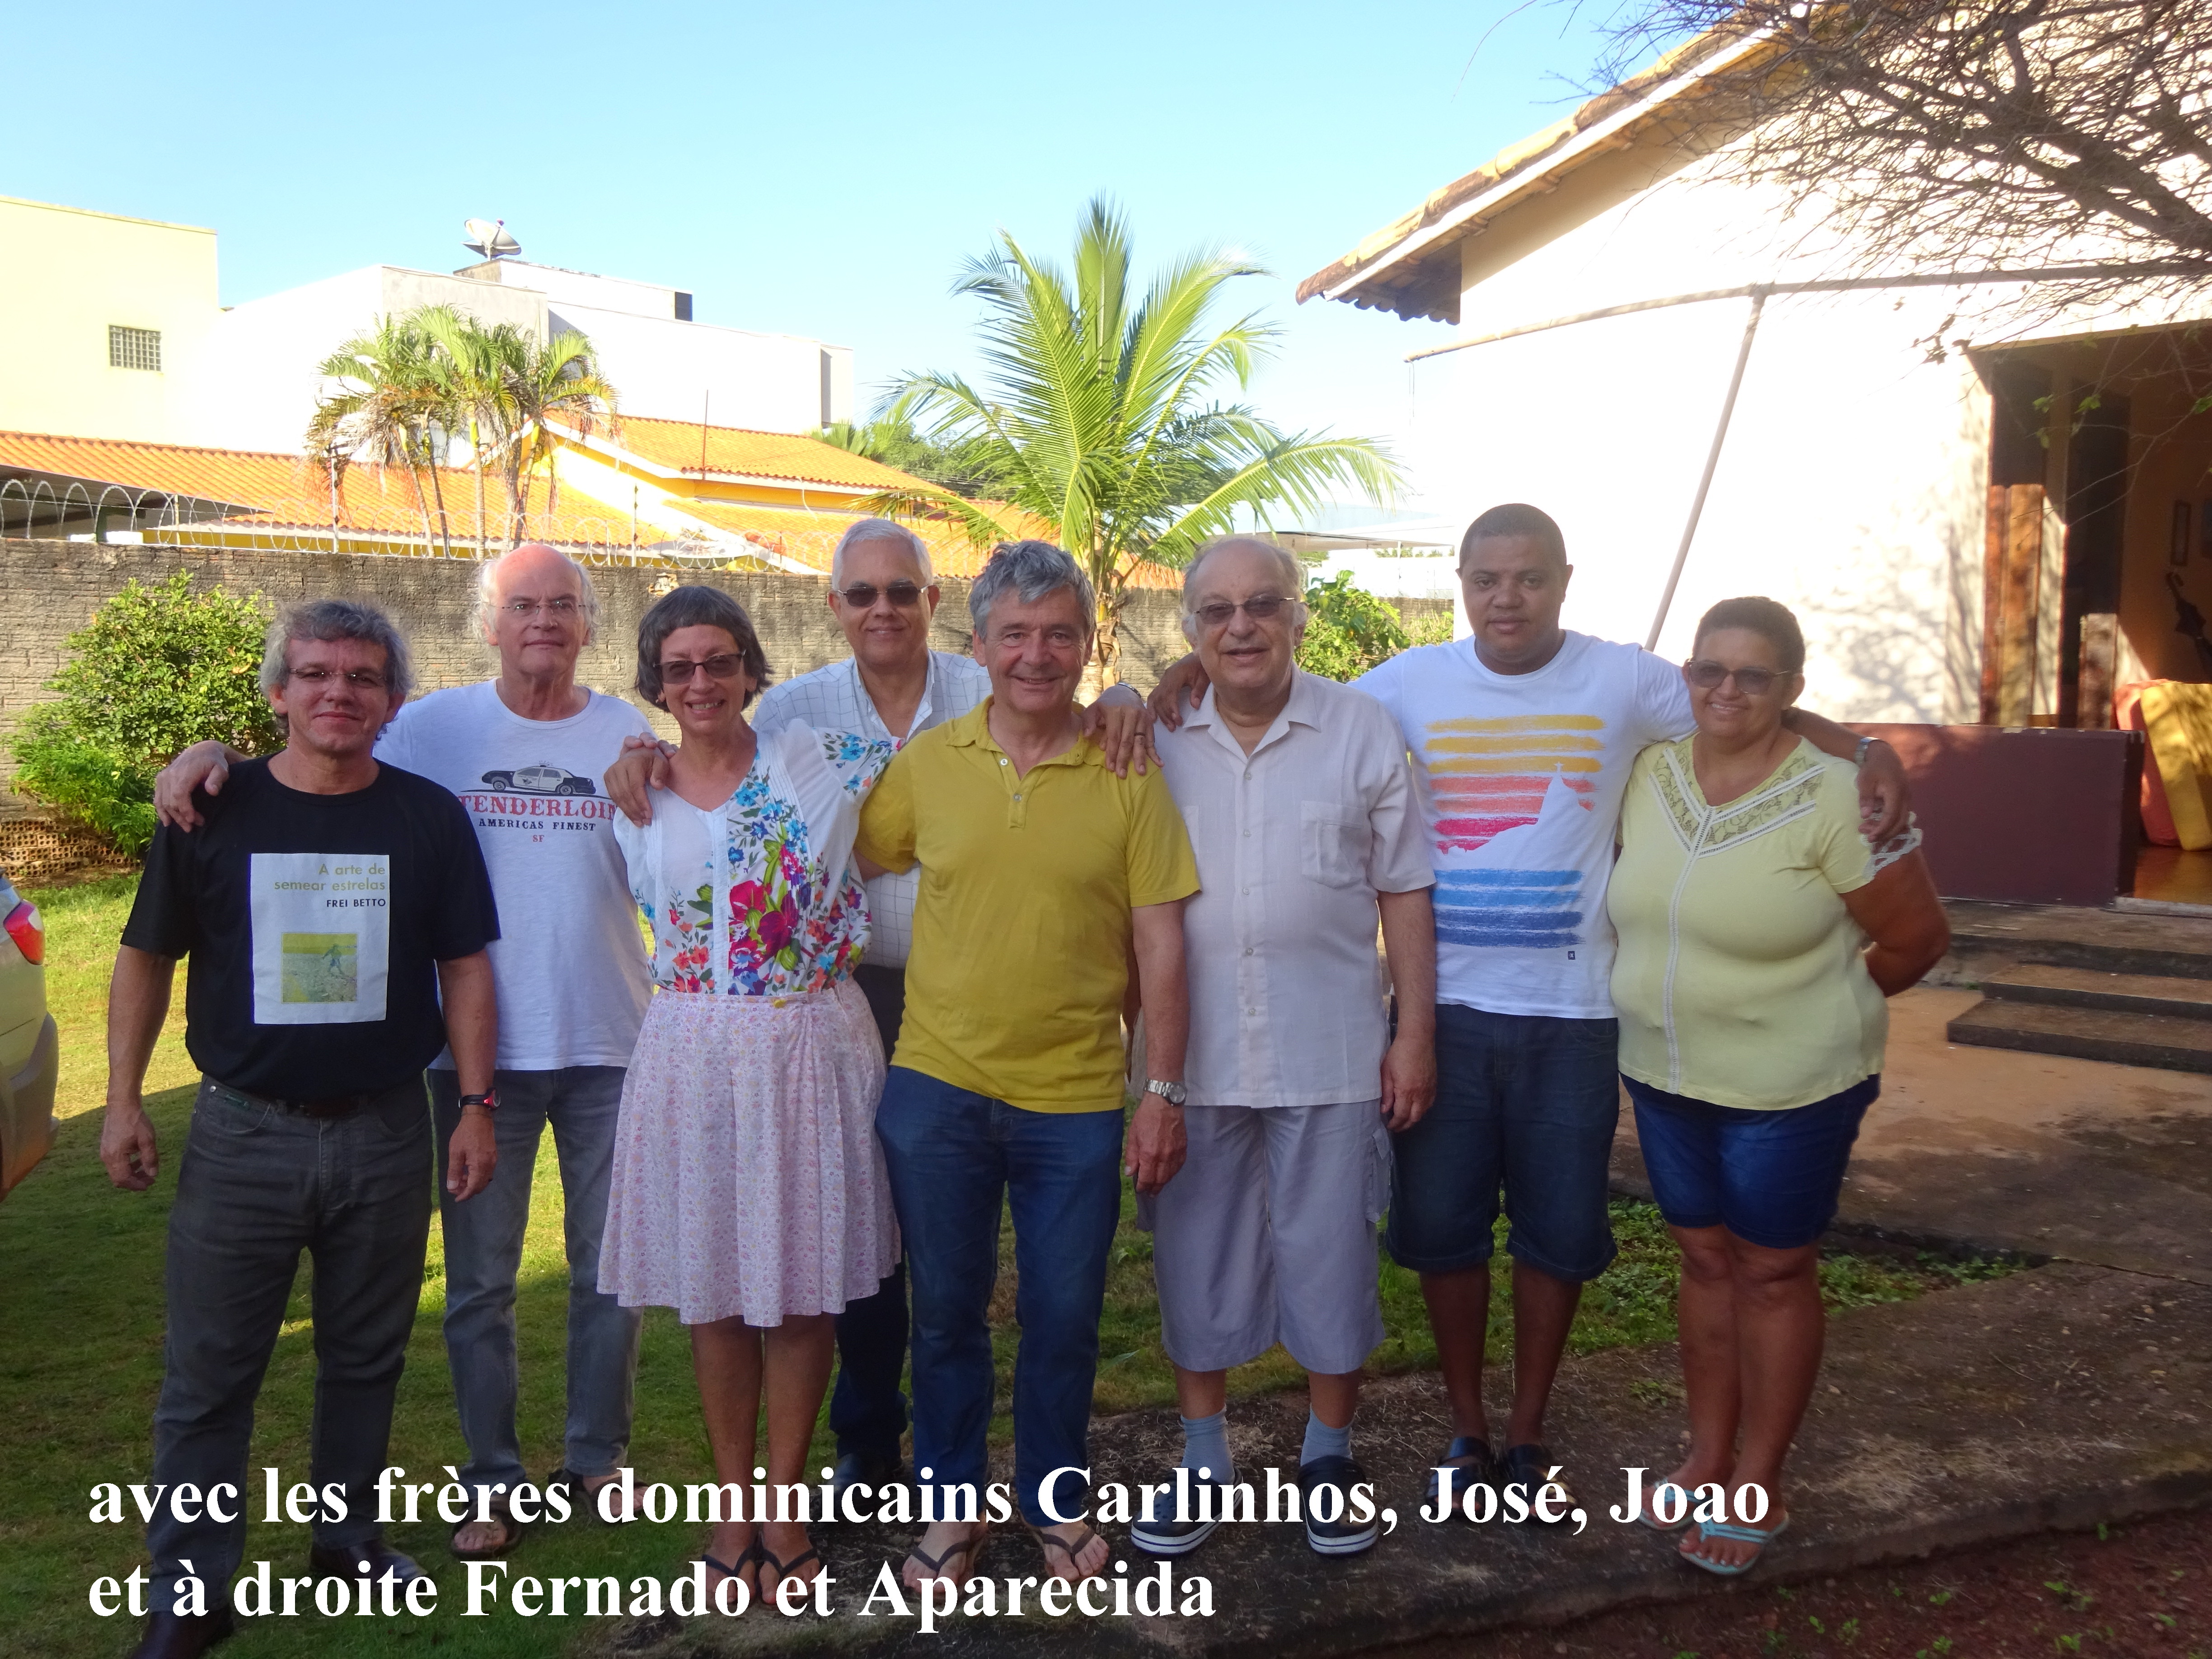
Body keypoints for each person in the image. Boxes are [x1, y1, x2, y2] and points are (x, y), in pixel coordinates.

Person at [1151, 504, 1912, 1518]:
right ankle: (1466, 1426)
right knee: (1444, 1234)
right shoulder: (1406, 685)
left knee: (1557, 1236)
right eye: (1487, 580)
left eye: (1530, 578)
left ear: (1563, 580)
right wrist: (1179, 672)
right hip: (1450, 1011)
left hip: (1574, 1016)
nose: (1507, 598)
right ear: (1462, 585)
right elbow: (1267, 678)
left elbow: (1743, 699)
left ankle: (1527, 1427)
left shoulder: (1626, 680)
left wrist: (1867, 746)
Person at [604, 518, 1158, 1504]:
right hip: (844, 991)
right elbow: (717, 766)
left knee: (890, 1237)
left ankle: (1009, 1474)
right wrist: (641, 754)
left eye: (902, 591)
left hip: (949, 995)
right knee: (853, 1241)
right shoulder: (800, 713)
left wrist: (1122, 697)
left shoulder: (988, 681)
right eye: (861, 594)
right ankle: (867, 1437)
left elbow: (1059, 703)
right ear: (834, 606)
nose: (883, 610)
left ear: (936, 603)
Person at [154, 544, 658, 1557]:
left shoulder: (629, 736)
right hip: (472, 1062)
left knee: (612, 1272)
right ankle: (493, 1478)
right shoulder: (431, 726)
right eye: (523, 605)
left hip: (610, 1040)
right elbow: (323, 743)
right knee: (480, 1283)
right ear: (488, 624)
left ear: (588, 624)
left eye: (563, 604)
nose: (544, 621)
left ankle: (597, 1457)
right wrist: (204, 752)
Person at [101, 600, 501, 1659]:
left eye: (363, 677)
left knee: (365, 1358)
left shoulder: (427, 818)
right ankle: (190, 1592)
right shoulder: (209, 810)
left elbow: (465, 967)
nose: (339, 693)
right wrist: (125, 1099)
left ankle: (347, 1539)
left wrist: (474, 1106)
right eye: (316, 673)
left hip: (386, 1132)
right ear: (279, 691)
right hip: (244, 1135)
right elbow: (145, 957)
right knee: (210, 1375)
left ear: (393, 700)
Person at [854, 540, 1198, 1590]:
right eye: (1016, 635)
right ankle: (951, 1506)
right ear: (979, 645)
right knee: (944, 1315)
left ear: (1089, 645)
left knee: (1063, 1316)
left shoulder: (1128, 768)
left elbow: (1162, 943)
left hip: (1078, 1099)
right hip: (937, 1088)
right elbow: (848, 851)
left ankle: (1055, 1501)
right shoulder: (930, 764)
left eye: (1059, 635)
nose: (1037, 656)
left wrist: (1160, 1091)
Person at [1607, 595, 1948, 1575]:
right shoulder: (1649, 772)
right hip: (1665, 1073)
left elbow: (1918, 940)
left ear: (1792, 688)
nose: (1727, 691)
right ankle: (1707, 1457)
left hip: (1792, 1091)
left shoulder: (1842, 796)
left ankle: (1759, 1484)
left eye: (1754, 676)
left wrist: (1821, 1003)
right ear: (1687, 676)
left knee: (1770, 1272)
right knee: (1704, 1262)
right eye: (1709, 670)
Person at [1133, 538, 1438, 1561]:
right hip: (1192, 1059)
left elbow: (1405, 890)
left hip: (1333, 1049)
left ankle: (1328, 1456)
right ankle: (1204, 1460)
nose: (1241, 627)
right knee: (1195, 1255)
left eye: (1263, 604)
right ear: (1189, 630)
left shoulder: (1360, 729)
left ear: (1299, 617)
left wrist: (1414, 1035)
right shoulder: (1154, 736)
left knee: (1333, 1254)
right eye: (1216, 611)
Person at [597, 584, 898, 1602]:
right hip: (691, 1049)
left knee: (804, 1286)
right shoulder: (633, 792)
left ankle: (785, 1504)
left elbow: (984, 720)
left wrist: (1127, 696)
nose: (700, 682)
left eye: (719, 662)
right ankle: (733, 1508)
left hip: (808, 1041)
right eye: (678, 667)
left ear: (750, 671)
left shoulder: (824, 762)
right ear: (655, 683)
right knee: (716, 1288)